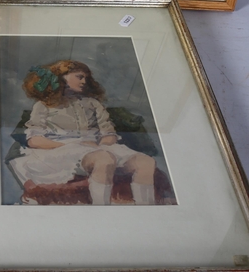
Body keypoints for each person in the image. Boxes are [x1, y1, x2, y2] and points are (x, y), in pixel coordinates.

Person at [10, 60, 156, 205]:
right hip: (60, 151)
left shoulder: (92, 103)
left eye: (86, 78)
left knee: (145, 162)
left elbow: (108, 133)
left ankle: (146, 208)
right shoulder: (43, 105)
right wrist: (73, 145)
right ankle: (101, 208)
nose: (84, 81)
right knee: (104, 159)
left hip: (96, 148)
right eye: (79, 77)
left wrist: (101, 145)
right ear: (62, 77)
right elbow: (34, 140)